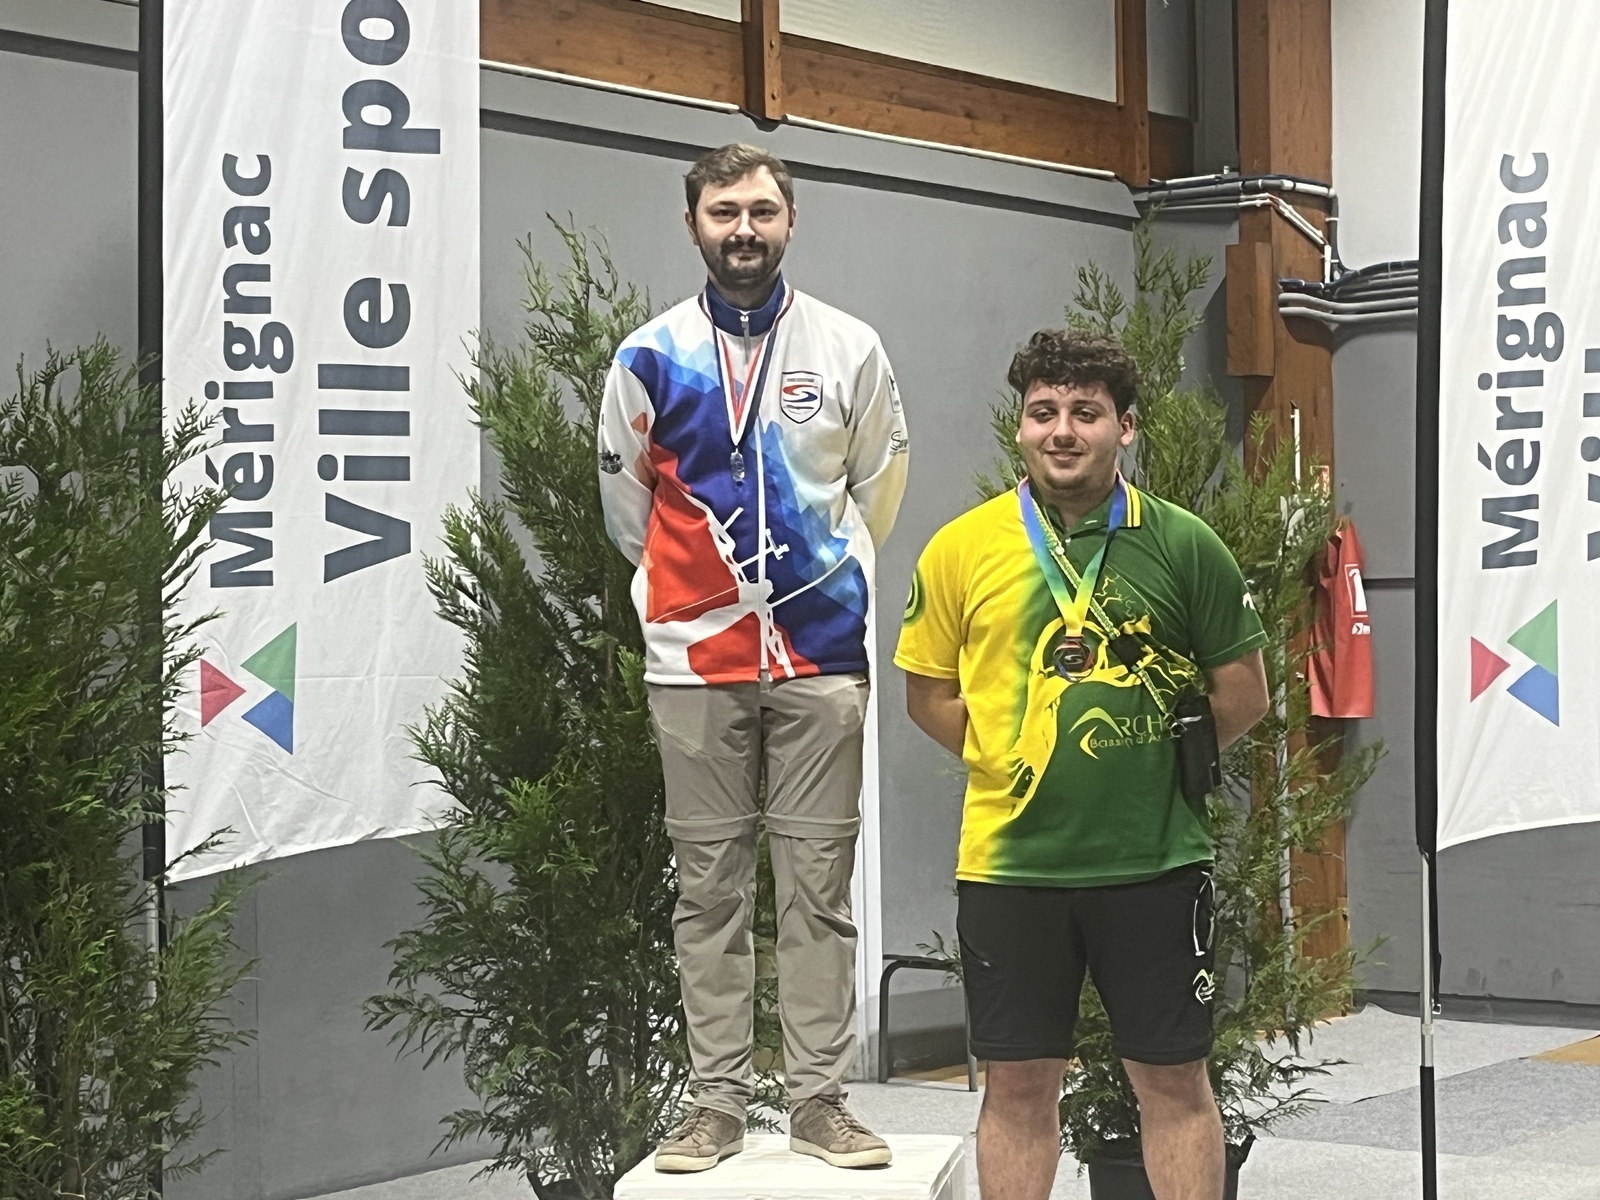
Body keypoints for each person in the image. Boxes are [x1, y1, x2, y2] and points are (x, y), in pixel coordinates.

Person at [894, 329, 1269, 1200]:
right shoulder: (960, 548)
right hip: (1011, 867)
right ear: (1020, 425)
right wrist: (1017, 759)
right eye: (1044, 411)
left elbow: (1243, 693)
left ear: (1125, 428)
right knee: (1018, 1086)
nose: (1062, 430)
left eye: (1086, 413)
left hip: (1156, 864)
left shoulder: (1184, 544)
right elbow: (929, 695)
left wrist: (1155, 764)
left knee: (1174, 1083)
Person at [597, 143, 909, 1173]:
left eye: (762, 211)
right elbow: (628, 509)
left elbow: (878, 486)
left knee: (819, 889)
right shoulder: (648, 358)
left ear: (790, 222)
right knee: (709, 892)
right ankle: (716, 1107)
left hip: (820, 656)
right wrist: (697, 598)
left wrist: (823, 583)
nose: (744, 229)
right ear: (693, 224)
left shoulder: (850, 346)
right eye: (724, 211)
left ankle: (820, 1101)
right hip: (694, 660)